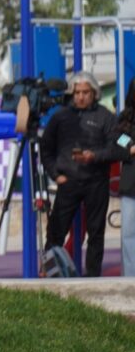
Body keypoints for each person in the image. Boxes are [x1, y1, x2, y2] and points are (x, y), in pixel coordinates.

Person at [41, 71, 117, 277]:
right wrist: (55, 175)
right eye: (77, 93)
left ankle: (92, 277)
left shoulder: (106, 117)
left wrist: (95, 156)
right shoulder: (60, 117)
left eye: (85, 92)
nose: (81, 97)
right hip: (68, 181)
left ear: (94, 93)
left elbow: (117, 146)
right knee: (55, 231)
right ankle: (49, 275)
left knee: (96, 233)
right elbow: (46, 148)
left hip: (96, 182)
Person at [112, 81, 135, 276]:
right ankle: (130, 277)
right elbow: (117, 138)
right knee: (129, 232)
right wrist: (131, 147)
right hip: (131, 183)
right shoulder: (126, 117)